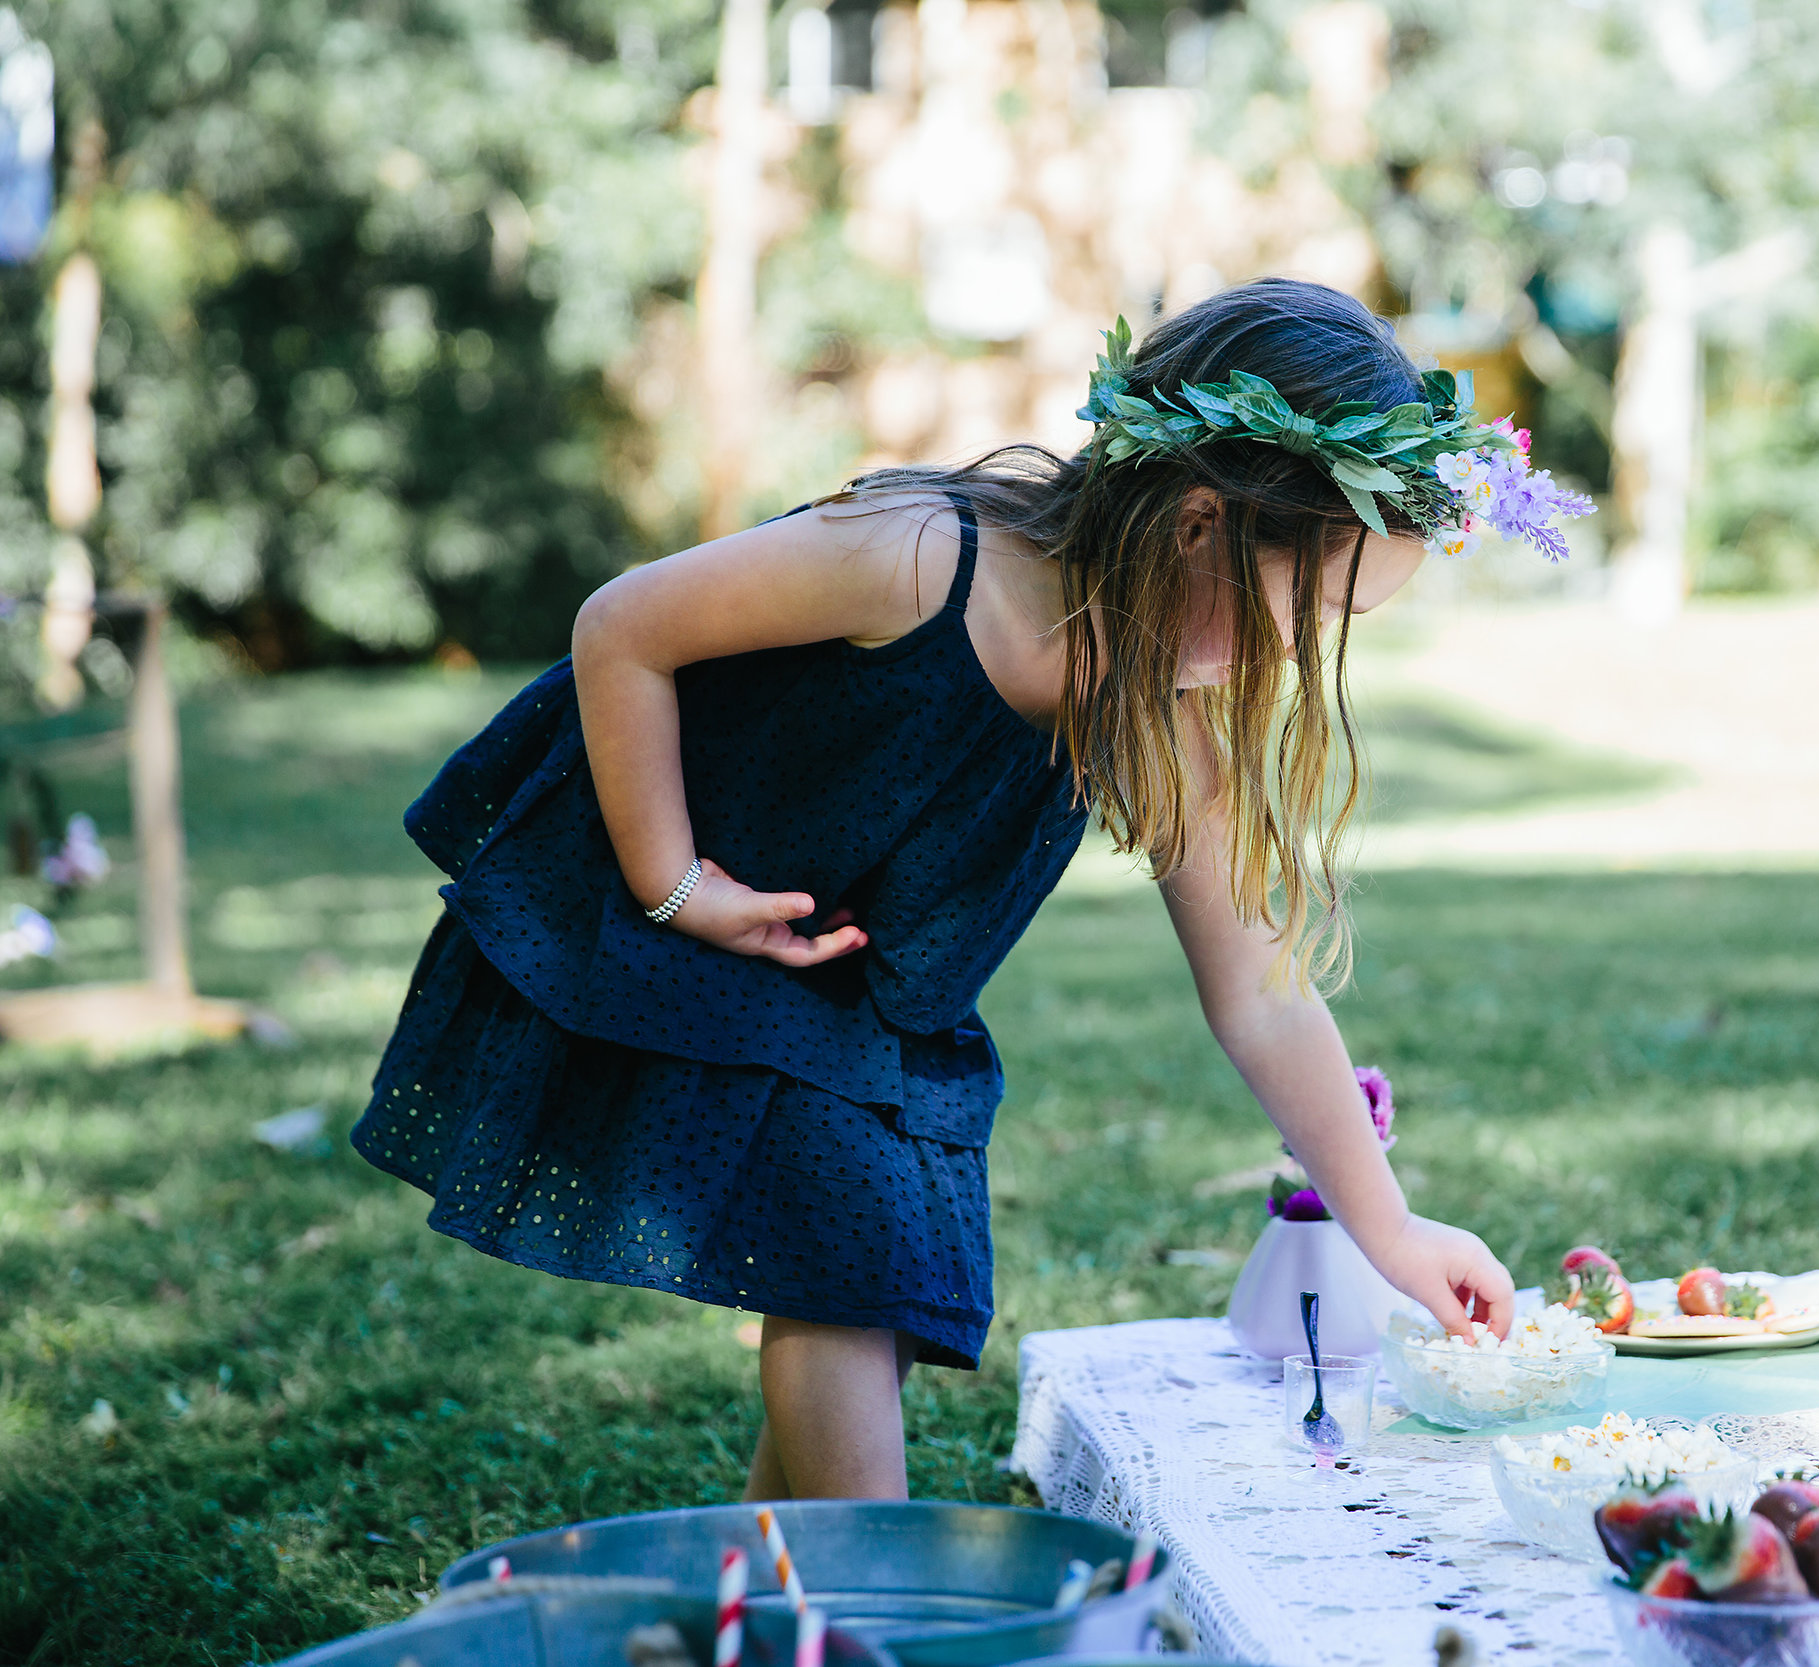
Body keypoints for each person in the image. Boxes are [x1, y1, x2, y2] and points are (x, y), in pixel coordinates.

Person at [351, 277, 1592, 1501]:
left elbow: (1261, 993)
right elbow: (623, 626)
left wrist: (1393, 1227)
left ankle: (771, 1592)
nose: (1308, 649)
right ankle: (865, 1588)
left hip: (866, 997)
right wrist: (673, 884)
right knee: (844, 1264)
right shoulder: (917, 560)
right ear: (1199, 524)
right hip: (698, 912)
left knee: (874, 1282)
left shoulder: (1160, 700)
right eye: (1310, 605)